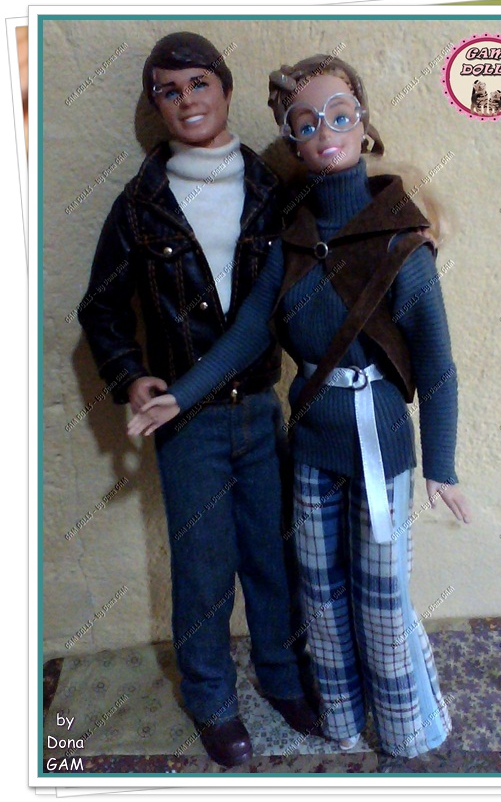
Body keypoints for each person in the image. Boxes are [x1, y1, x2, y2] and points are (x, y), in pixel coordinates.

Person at [128, 53, 471, 759]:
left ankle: (406, 726)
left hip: (380, 445)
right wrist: (179, 395)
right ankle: (340, 715)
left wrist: (442, 463)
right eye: (306, 124)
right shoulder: (293, 240)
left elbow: (437, 365)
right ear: (291, 139)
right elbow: (248, 331)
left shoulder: (400, 244)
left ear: (363, 124)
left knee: (381, 594)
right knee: (319, 590)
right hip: (312, 445)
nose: (326, 134)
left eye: (340, 116)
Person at [78, 32, 319, 769]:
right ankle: (211, 696)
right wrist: (131, 375)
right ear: (156, 105)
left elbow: (328, 241)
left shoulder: (273, 189)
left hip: (261, 407)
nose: (186, 101)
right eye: (168, 90)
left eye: (199, 84)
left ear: (226, 89)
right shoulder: (141, 206)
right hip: (189, 424)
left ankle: (281, 674)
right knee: (205, 566)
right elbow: (101, 308)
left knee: (274, 554)